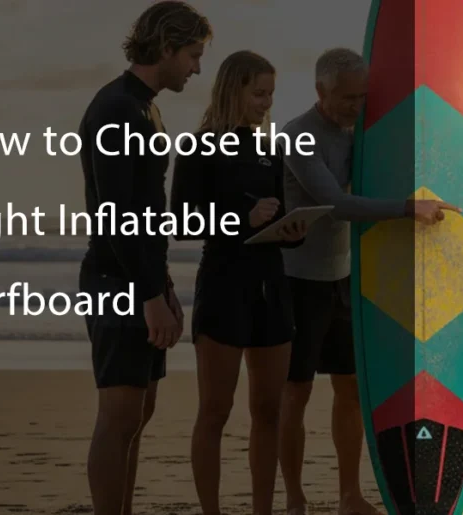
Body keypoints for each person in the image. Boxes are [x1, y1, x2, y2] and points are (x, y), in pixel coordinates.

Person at [276, 47, 460, 515]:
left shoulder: (363, 132)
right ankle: (295, 496)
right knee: (295, 391)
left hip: (344, 278)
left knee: (351, 388)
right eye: (346, 99)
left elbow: (407, 156)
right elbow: (336, 204)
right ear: (320, 90)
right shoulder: (297, 135)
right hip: (299, 281)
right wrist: (406, 208)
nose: (355, 108)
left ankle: (348, 496)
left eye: (362, 98)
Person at [76, 2, 211, 514]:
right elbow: (115, 216)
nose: (196, 68)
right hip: (116, 281)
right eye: (193, 55)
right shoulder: (114, 108)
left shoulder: (145, 107)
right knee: (119, 413)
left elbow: (148, 215)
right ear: (167, 46)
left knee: (140, 411)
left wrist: (165, 287)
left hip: (141, 278)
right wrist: (149, 294)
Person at [170, 50, 307, 515]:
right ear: (234, 89)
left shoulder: (270, 149)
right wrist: (240, 217)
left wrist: (292, 230)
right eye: (259, 92)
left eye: (271, 93)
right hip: (224, 286)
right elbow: (182, 221)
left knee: (268, 412)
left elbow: (274, 220)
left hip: (271, 286)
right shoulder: (197, 147)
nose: (267, 102)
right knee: (215, 411)